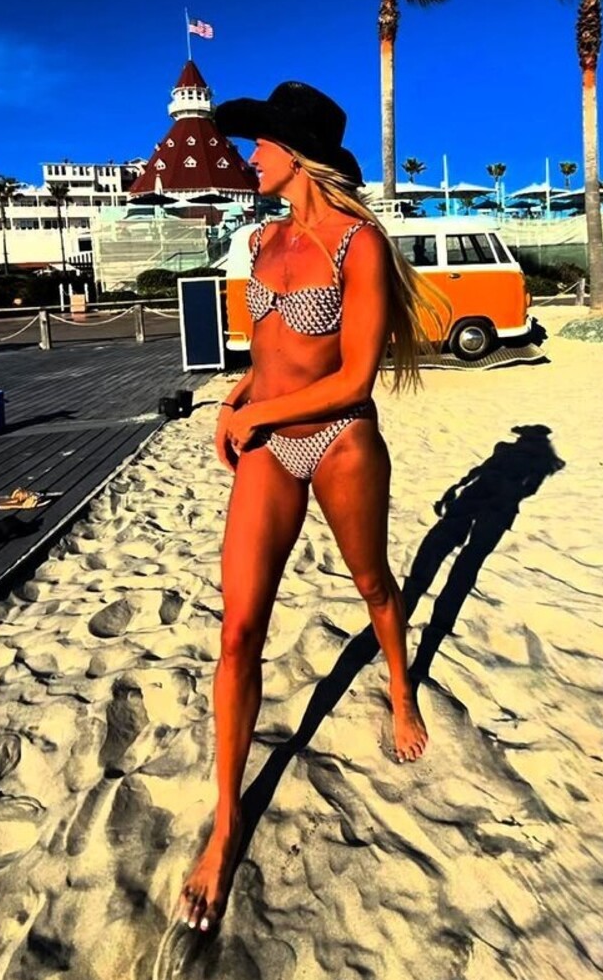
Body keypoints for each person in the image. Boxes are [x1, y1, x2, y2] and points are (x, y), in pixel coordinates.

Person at [176, 81, 443, 934]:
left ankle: (400, 688)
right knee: (237, 630)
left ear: (297, 155)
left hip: (339, 440)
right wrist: (237, 400)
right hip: (267, 440)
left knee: (372, 585)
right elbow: (269, 353)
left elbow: (354, 378)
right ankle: (226, 825)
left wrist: (255, 414)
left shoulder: (359, 244)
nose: (249, 155)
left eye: (261, 144)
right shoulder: (261, 240)